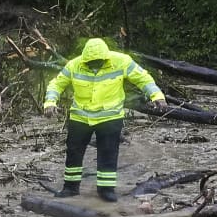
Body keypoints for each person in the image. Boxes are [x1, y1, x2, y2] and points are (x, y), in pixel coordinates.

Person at [44, 38, 168, 202]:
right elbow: (56, 84)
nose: (94, 65)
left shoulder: (122, 61)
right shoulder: (74, 65)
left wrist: (157, 96)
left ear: (106, 57)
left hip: (110, 116)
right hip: (80, 116)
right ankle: (70, 188)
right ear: (84, 59)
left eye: (98, 62)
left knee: (108, 152)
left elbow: (143, 78)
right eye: (90, 62)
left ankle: (106, 190)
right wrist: (50, 102)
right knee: (74, 152)